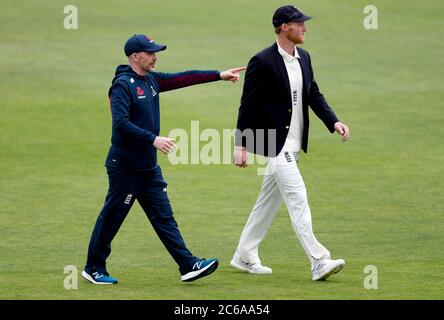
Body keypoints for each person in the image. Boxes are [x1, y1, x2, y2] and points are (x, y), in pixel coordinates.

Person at [82, 34, 245, 284]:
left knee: (163, 216)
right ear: (135, 56)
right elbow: (120, 124)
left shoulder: (151, 81)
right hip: (125, 168)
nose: (155, 56)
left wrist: (218, 75)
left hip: (148, 167)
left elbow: (182, 77)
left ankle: (187, 264)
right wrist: (153, 139)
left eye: (156, 52)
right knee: (113, 217)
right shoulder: (123, 85)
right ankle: (93, 268)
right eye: (150, 53)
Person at [231, 5, 350, 281]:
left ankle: (244, 254)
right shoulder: (262, 61)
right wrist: (241, 145)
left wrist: (334, 121)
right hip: (276, 144)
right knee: (298, 198)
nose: (305, 28)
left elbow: (313, 94)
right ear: (285, 27)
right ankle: (319, 260)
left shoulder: (304, 57)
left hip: (294, 144)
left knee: (267, 202)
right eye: (300, 24)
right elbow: (247, 104)